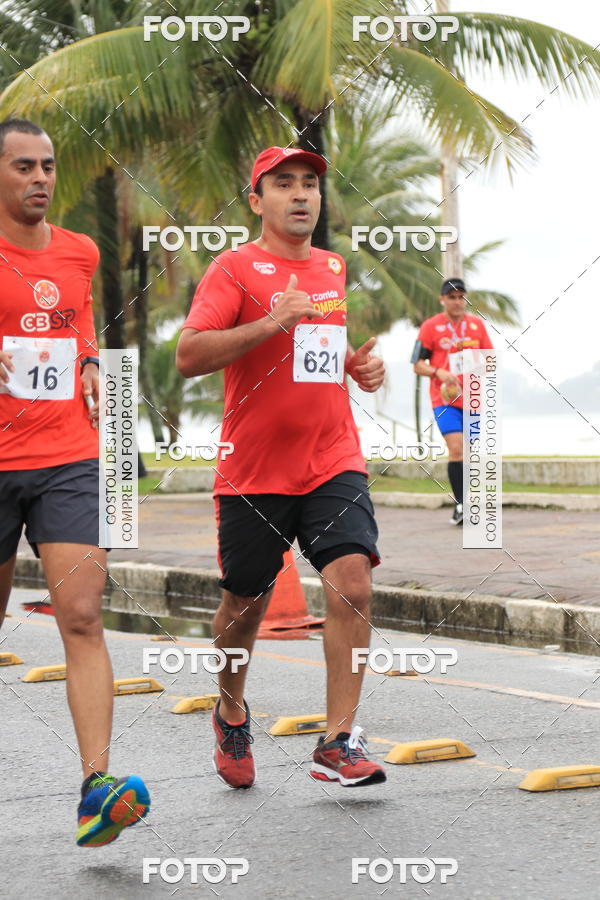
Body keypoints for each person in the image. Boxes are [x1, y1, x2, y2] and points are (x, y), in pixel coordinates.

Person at [177, 146, 386, 788]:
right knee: (245, 603)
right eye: (284, 184)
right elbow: (189, 354)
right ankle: (231, 708)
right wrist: (271, 320)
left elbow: (318, 346)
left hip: (332, 458)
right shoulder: (232, 269)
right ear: (257, 199)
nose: (301, 195)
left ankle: (337, 741)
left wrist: (357, 365)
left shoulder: (331, 266)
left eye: (310, 185)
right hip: (255, 470)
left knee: (353, 581)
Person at [0, 119, 149, 846]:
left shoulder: (80, 252)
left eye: (49, 166)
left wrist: (90, 358)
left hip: (68, 456)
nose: (40, 178)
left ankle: (97, 787)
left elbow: (78, 318)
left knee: (83, 615)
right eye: (24, 165)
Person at [411, 277, 494, 524]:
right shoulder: (430, 327)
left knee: (470, 453)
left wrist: (476, 363)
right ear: (442, 300)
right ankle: (461, 505)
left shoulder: (477, 326)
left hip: (474, 399)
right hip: (444, 399)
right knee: (457, 448)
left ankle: (468, 502)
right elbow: (416, 364)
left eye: (461, 297)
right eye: (452, 297)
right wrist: (438, 372)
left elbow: (490, 361)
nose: (457, 302)